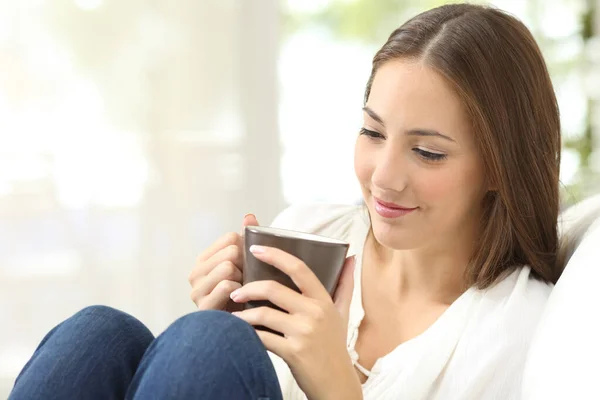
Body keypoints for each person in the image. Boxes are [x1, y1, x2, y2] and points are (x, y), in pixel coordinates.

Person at [9, 3, 562, 400]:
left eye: (426, 152)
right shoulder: (312, 233)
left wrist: (335, 385)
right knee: (100, 333)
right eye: (372, 133)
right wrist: (208, 332)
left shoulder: (519, 328)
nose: (384, 178)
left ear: (498, 166)